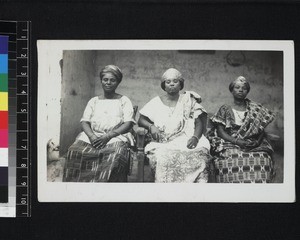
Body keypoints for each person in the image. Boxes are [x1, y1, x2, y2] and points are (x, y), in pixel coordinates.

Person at [63, 65, 135, 182]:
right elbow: (85, 121)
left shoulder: (124, 100)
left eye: (113, 80)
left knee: (117, 154)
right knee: (74, 151)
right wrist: (92, 136)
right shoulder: (94, 101)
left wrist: (107, 136)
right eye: (105, 79)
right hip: (93, 135)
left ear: (118, 83)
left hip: (115, 136)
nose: (108, 83)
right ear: (101, 81)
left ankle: (110, 190)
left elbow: (128, 123)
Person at [138, 68, 211, 183]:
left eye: (175, 81)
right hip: (164, 142)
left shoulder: (188, 100)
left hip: (187, 140)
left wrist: (195, 138)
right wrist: (151, 126)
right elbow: (141, 120)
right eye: (168, 82)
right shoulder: (156, 101)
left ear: (180, 84)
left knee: (199, 157)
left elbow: (199, 122)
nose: (172, 84)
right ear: (164, 86)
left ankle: (193, 194)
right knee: (163, 157)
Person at [208, 76, 275, 183]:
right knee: (231, 157)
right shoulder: (225, 108)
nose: (240, 90)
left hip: (251, 140)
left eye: (244, 88)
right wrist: (237, 141)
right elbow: (220, 132)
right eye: (237, 87)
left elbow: (260, 129)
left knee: (263, 158)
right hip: (229, 140)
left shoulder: (255, 109)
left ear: (247, 91)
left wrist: (257, 142)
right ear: (232, 90)